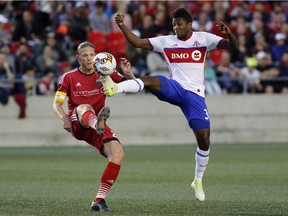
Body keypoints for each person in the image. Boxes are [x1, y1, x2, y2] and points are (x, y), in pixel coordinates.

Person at [101, 7, 238, 201]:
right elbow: (137, 42)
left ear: (189, 25)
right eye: (174, 24)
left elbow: (233, 46)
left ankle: (197, 180)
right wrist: (122, 25)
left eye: (179, 24)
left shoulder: (204, 39)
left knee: (204, 140)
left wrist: (229, 33)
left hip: (195, 97)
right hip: (175, 88)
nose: (176, 28)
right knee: (149, 79)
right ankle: (115, 88)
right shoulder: (166, 41)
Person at [52, 42, 134, 212]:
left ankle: (98, 200)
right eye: (84, 55)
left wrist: (129, 74)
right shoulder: (69, 77)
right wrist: (64, 118)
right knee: (84, 107)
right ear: (78, 58)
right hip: (78, 122)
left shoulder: (104, 71)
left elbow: (132, 87)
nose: (89, 58)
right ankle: (98, 123)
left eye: (91, 54)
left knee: (117, 154)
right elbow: (56, 103)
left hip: (97, 124)